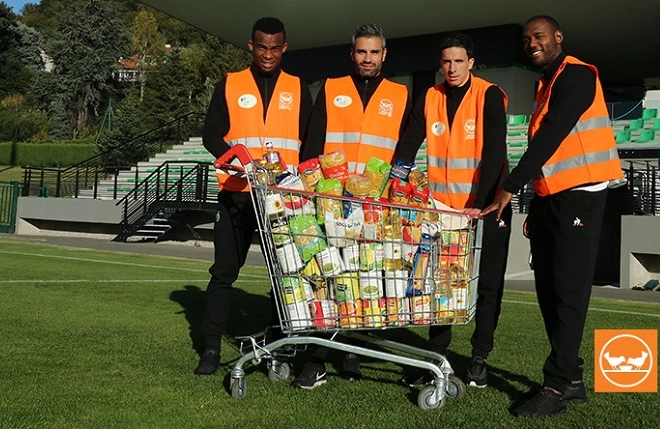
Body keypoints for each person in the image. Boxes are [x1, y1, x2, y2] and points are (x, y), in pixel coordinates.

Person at [483, 16, 624, 417]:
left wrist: (511, 185)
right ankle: (574, 378)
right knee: (548, 286)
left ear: (558, 37)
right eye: (526, 39)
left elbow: (553, 136)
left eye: (539, 36)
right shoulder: (545, 82)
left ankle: (556, 385)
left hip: (581, 196)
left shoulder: (577, 75)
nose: (532, 44)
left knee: (569, 289)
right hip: (553, 197)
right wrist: (539, 201)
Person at [291, 23, 412, 389]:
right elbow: (312, 146)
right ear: (352, 54)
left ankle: (353, 352)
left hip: (375, 206)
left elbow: (404, 155)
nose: (368, 58)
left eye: (374, 52)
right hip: (333, 202)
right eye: (362, 52)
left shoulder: (401, 94)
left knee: (365, 279)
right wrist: (311, 192)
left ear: (384, 55)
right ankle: (319, 358)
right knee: (329, 280)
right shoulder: (332, 87)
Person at [393, 32, 512, 389]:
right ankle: (435, 356)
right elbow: (410, 140)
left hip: (486, 207)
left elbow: (494, 152)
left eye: (459, 61)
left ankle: (479, 358)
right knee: (438, 284)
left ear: (471, 63)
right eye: (446, 61)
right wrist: (397, 178)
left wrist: (480, 205)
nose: (452, 68)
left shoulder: (488, 95)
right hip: (443, 210)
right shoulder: (429, 96)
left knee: (488, 285)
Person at [194, 17, 312, 375]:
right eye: (262, 46)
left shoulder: (298, 87)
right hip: (236, 195)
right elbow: (211, 136)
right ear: (251, 46)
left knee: (286, 275)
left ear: (284, 49)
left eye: (275, 48)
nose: (268, 54)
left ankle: (283, 345)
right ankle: (211, 349)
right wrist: (233, 156)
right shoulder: (229, 84)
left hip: (279, 200)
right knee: (224, 272)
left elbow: (308, 144)